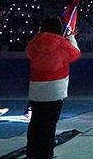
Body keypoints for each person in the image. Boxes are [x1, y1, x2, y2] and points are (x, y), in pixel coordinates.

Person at [25, 17, 81, 159]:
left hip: (36, 88)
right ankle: (46, 154)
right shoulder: (62, 43)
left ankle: (32, 152)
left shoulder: (34, 42)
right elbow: (75, 54)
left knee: (35, 122)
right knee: (49, 125)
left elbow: (28, 53)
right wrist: (71, 38)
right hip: (55, 89)